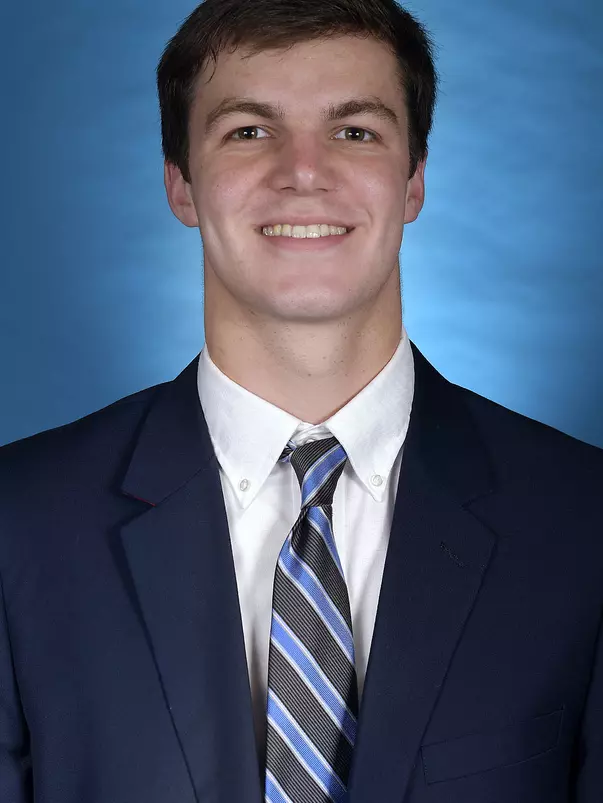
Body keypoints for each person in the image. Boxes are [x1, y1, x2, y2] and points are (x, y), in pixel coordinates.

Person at [1, 0, 602, 800]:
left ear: (413, 179)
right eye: (250, 131)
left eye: (354, 131)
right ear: (181, 185)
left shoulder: (581, 519)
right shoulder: (18, 522)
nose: (304, 171)